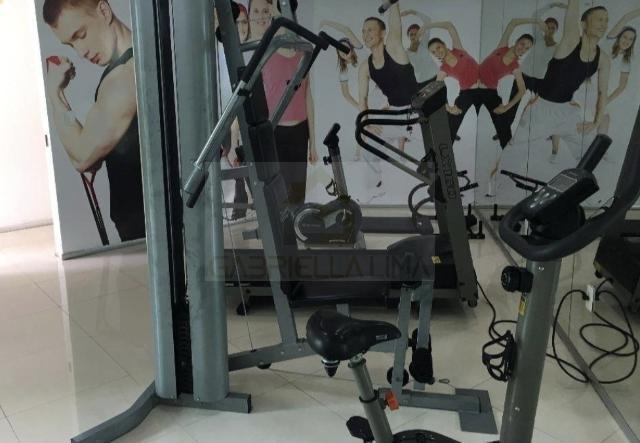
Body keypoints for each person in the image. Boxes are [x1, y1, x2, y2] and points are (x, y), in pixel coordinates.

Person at [43, 0, 145, 242]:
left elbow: (82, 158)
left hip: (143, 225)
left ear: (104, 11)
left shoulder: (123, 79)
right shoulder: (131, 64)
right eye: (71, 44)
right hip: (140, 221)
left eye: (81, 35)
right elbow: (94, 157)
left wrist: (54, 94)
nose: (81, 52)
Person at [512, 2, 611, 162]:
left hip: (567, 111)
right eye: (599, 19)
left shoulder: (603, 59)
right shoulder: (570, 41)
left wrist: (596, 122)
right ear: (583, 24)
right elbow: (573, 10)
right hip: (541, 110)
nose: (604, 24)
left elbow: (602, 93)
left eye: (606, 20)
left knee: (591, 156)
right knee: (513, 155)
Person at [250, 0, 318, 205]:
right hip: (274, 131)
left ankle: (297, 223)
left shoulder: (303, 53)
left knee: (297, 193)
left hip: (300, 131)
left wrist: (313, 143)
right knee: (279, 195)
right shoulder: (265, 52)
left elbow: (307, 97)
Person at [477, 19, 542, 194]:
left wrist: (506, 107)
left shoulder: (515, 66)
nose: (523, 49)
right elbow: (512, 23)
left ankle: (501, 174)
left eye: (527, 48)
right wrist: (536, 22)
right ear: (516, 41)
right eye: (522, 44)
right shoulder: (502, 47)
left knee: (505, 134)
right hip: (471, 89)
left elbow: (522, 90)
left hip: (489, 93)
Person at [401, 9, 438, 84]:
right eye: (411, 34)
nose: (413, 36)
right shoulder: (406, 54)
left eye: (416, 34)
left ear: (420, 34)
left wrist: (411, 11)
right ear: (408, 36)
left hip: (436, 78)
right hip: (421, 83)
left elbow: (428, 21)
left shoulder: (424, 43)